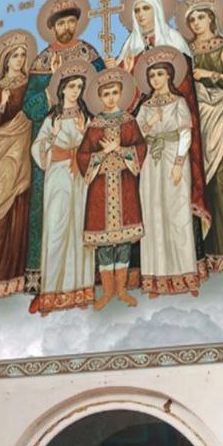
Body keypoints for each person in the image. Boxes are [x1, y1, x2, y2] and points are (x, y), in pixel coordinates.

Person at [117, 0, 211, 274]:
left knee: (176, 205)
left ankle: (186, 264)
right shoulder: (129, 49)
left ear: (156, 11)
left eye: (145, 8)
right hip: (144, 143)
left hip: (174, 138)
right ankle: (146, 268)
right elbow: (123, 100)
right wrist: (122, 74)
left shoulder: (174, 42)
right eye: (136, 10)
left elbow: (183, 91)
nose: (140, 15)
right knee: (148, 203)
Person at [22, 0, 103, 295]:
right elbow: (30, 108)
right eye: (61, 23)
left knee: (85, 216)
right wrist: (50, 88)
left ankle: (87, 280)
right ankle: (49, 282)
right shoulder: (41, 62)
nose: (66, 27)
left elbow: (102, 96)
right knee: (52, 221)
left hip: (84, 151)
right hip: (52, 158)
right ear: (52, 27)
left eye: (71, 21)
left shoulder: (89, 53)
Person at [179, 0, 223, 276]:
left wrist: (209, 75)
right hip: (198, 123)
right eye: (191, 20)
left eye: (200, 17)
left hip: (222, 121)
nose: (196, 23)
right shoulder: (186, 51)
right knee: (201, 186)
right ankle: (204, 256)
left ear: (211, 19)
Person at [77, 69, 146, 309]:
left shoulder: (129, 121)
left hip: (125, 184)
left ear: (120, 94)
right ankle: (107, 292)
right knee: (105, 243)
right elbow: (82, 155)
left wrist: (119, 148)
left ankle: (122, 290)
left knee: (124, 241)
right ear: (99, 96)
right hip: (101, 187)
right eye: (106, 94)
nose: (110, 97)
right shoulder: (95, 124)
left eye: (114, 92)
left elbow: (140, 148)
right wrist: (102, 153)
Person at [30, 62, 95, 315]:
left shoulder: (85, 118)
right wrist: (52, 137)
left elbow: (95, 145)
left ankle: (80, 290)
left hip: (81, 177)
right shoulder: (52, 119)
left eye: (79, 86)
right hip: (58, 176)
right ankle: (50, 293)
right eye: (71, 86)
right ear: (62, 89)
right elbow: (37, 149)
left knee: (79, 229)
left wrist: (83, 134)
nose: (76, 91)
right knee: (56, 229)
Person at [134, 50, 200, 296]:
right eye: (151, 75)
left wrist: (179, 163)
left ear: (169, 76)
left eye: (160, 74)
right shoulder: (145, 106)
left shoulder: (178, 102)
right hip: (151, 161)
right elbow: (135, 135)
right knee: (153, 215)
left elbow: (185, 133)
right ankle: (156, 278)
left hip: (173, 157)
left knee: (177, 215)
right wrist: (150, 123)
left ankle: (186, 276)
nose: (155, 79)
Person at [0, 29, 35, 302]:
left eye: (23, 55)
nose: (20, 59)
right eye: (15, 55)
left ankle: (15, 279)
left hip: (21, 155)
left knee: (18, 212)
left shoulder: (29, 85)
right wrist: (1, 106)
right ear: (5, 60)